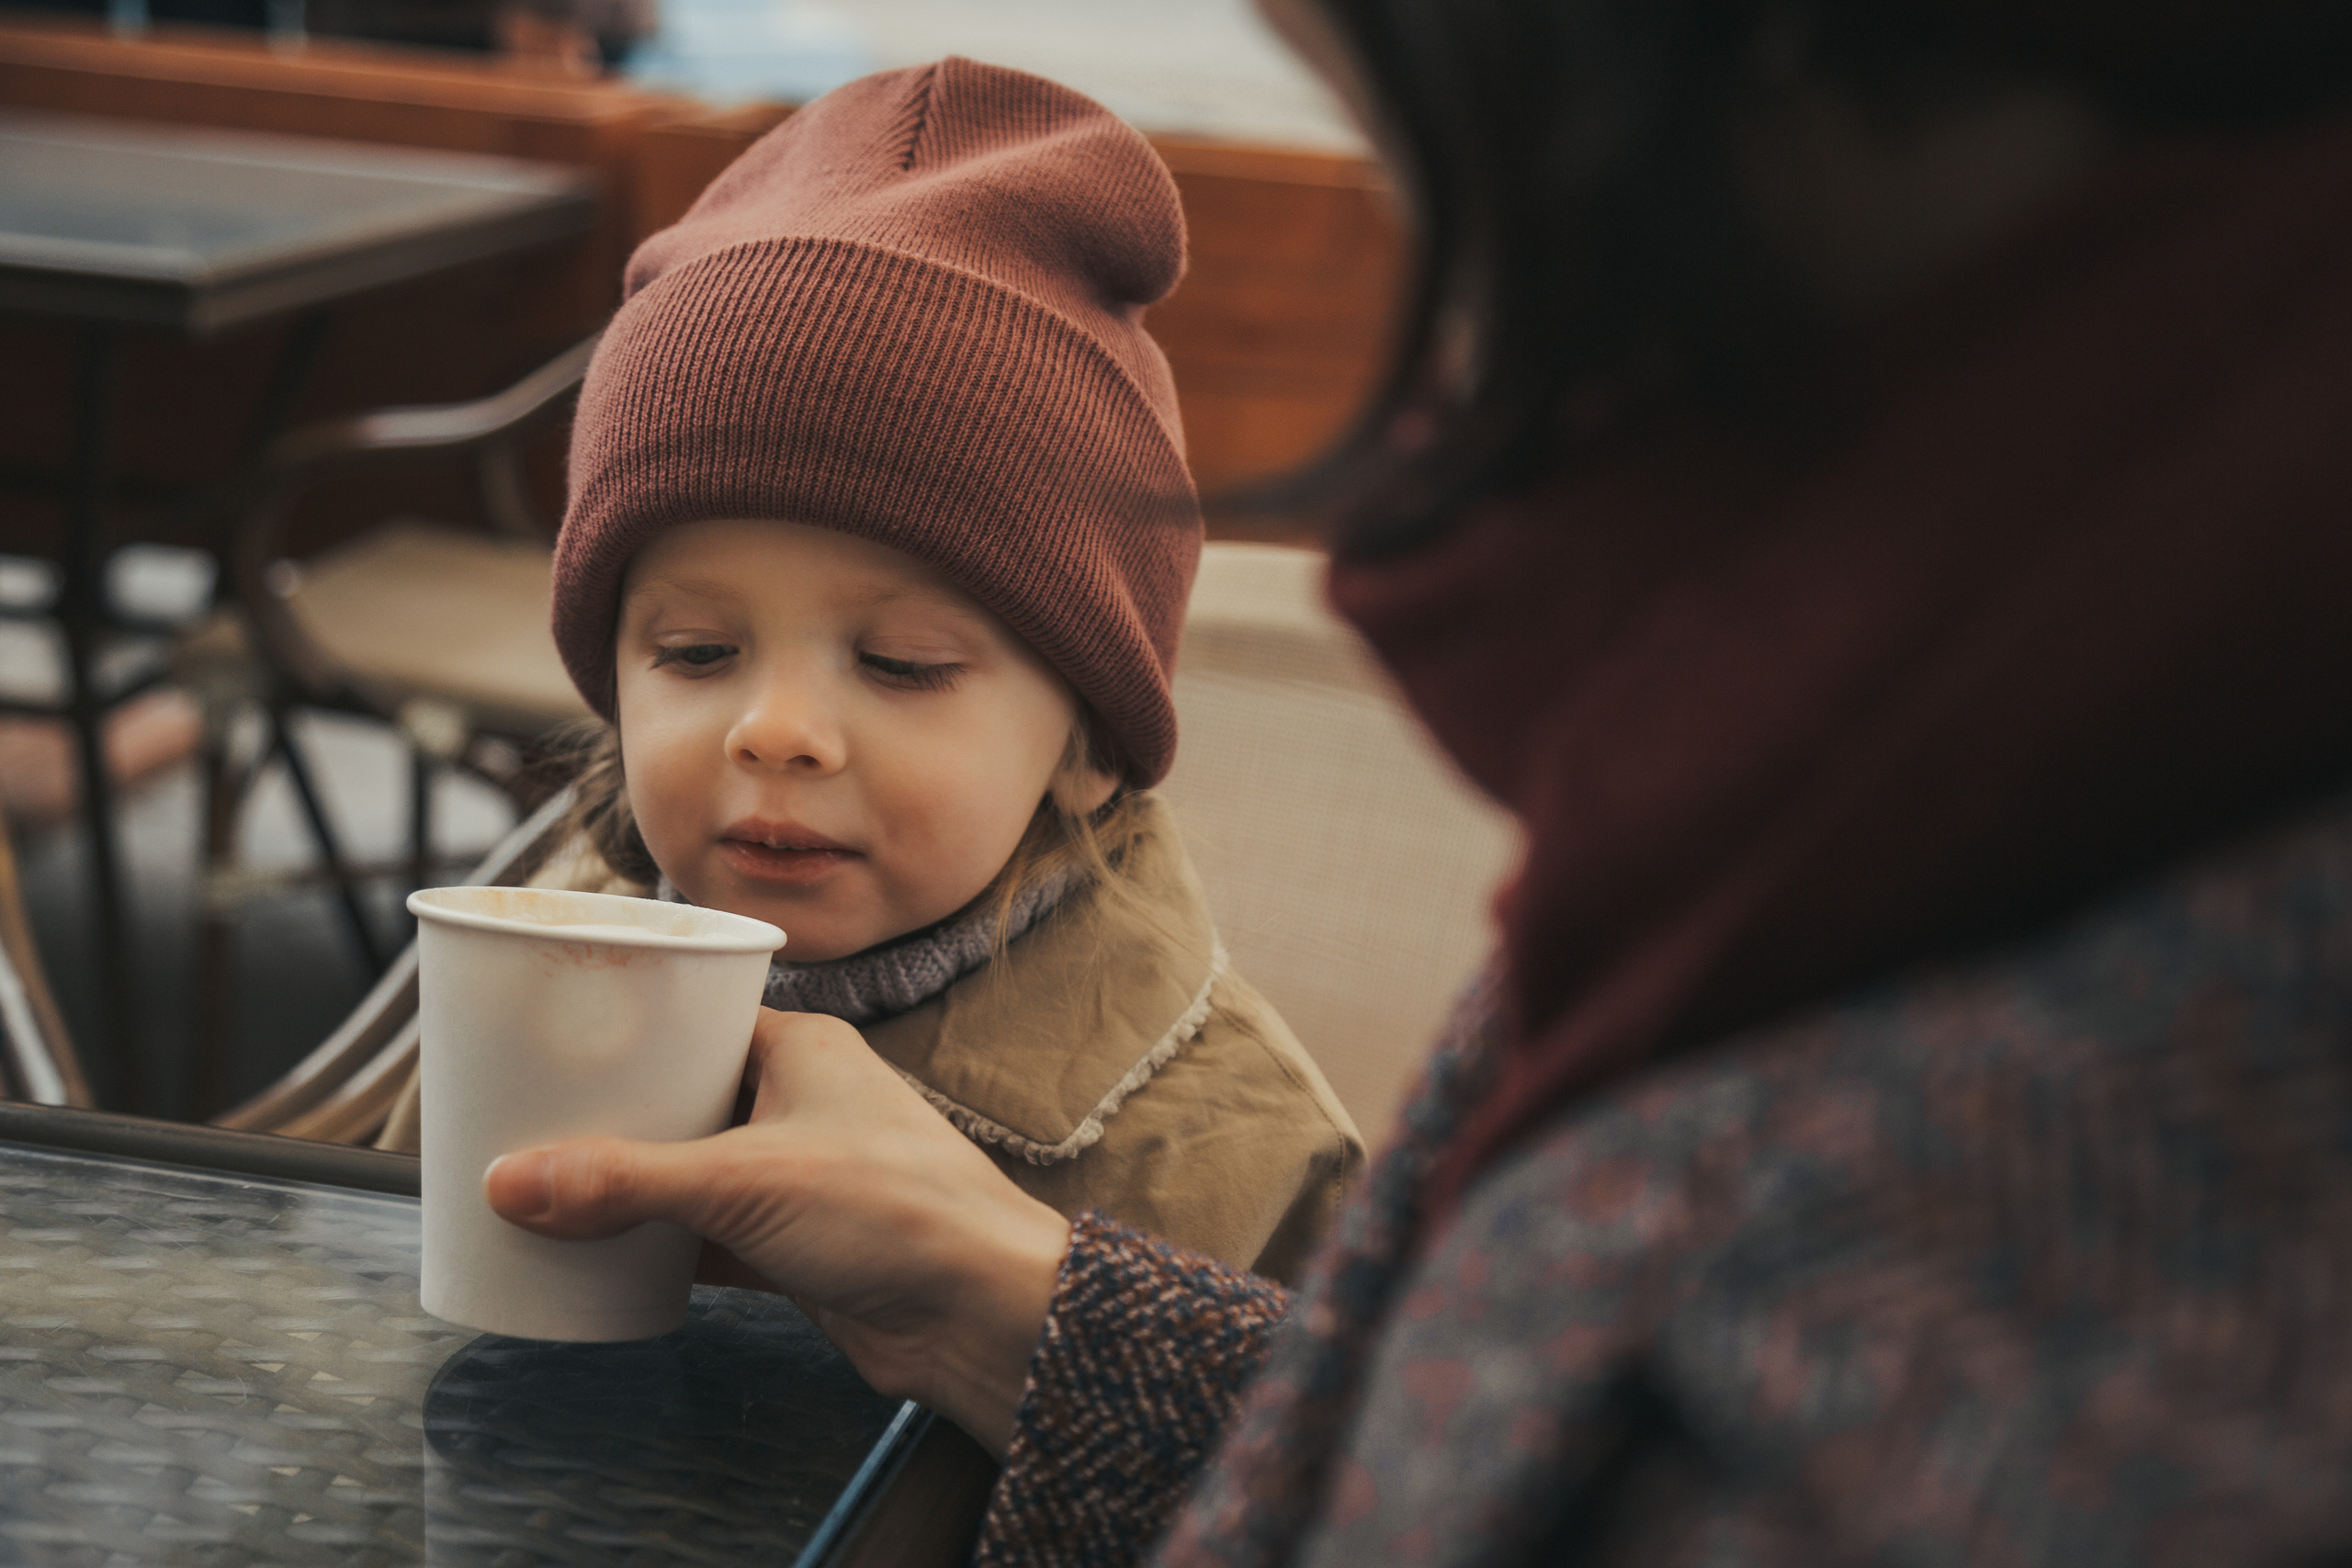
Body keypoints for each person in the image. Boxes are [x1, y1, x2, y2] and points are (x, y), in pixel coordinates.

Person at [484, 0, 2352, 1561]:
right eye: (691, 645)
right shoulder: (1848, 765)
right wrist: (1043, 1321)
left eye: (1419, 139)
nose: (778, 729)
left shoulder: (2120, 1100)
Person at [382, 57, 1363, 1286]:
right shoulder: (531, 984)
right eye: (696, 653)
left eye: (900, 665)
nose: (777, 732)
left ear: (1085, 743)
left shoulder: (1239, 1170)